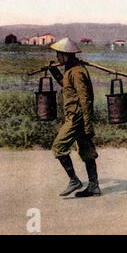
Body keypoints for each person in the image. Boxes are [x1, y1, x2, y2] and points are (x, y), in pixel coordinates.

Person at [48, 37, 101, 197]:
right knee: (86, 150)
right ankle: (94, 186)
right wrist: (55, 72)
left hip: (76, 117)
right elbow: (67, 86)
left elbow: (85, 99)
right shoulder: (71, 70)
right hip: (76, 116)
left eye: (59, 55)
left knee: (58, 147)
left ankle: (74, 180)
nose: (57, 58)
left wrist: (87, 123)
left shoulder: (77, 72)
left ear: (66, 55)